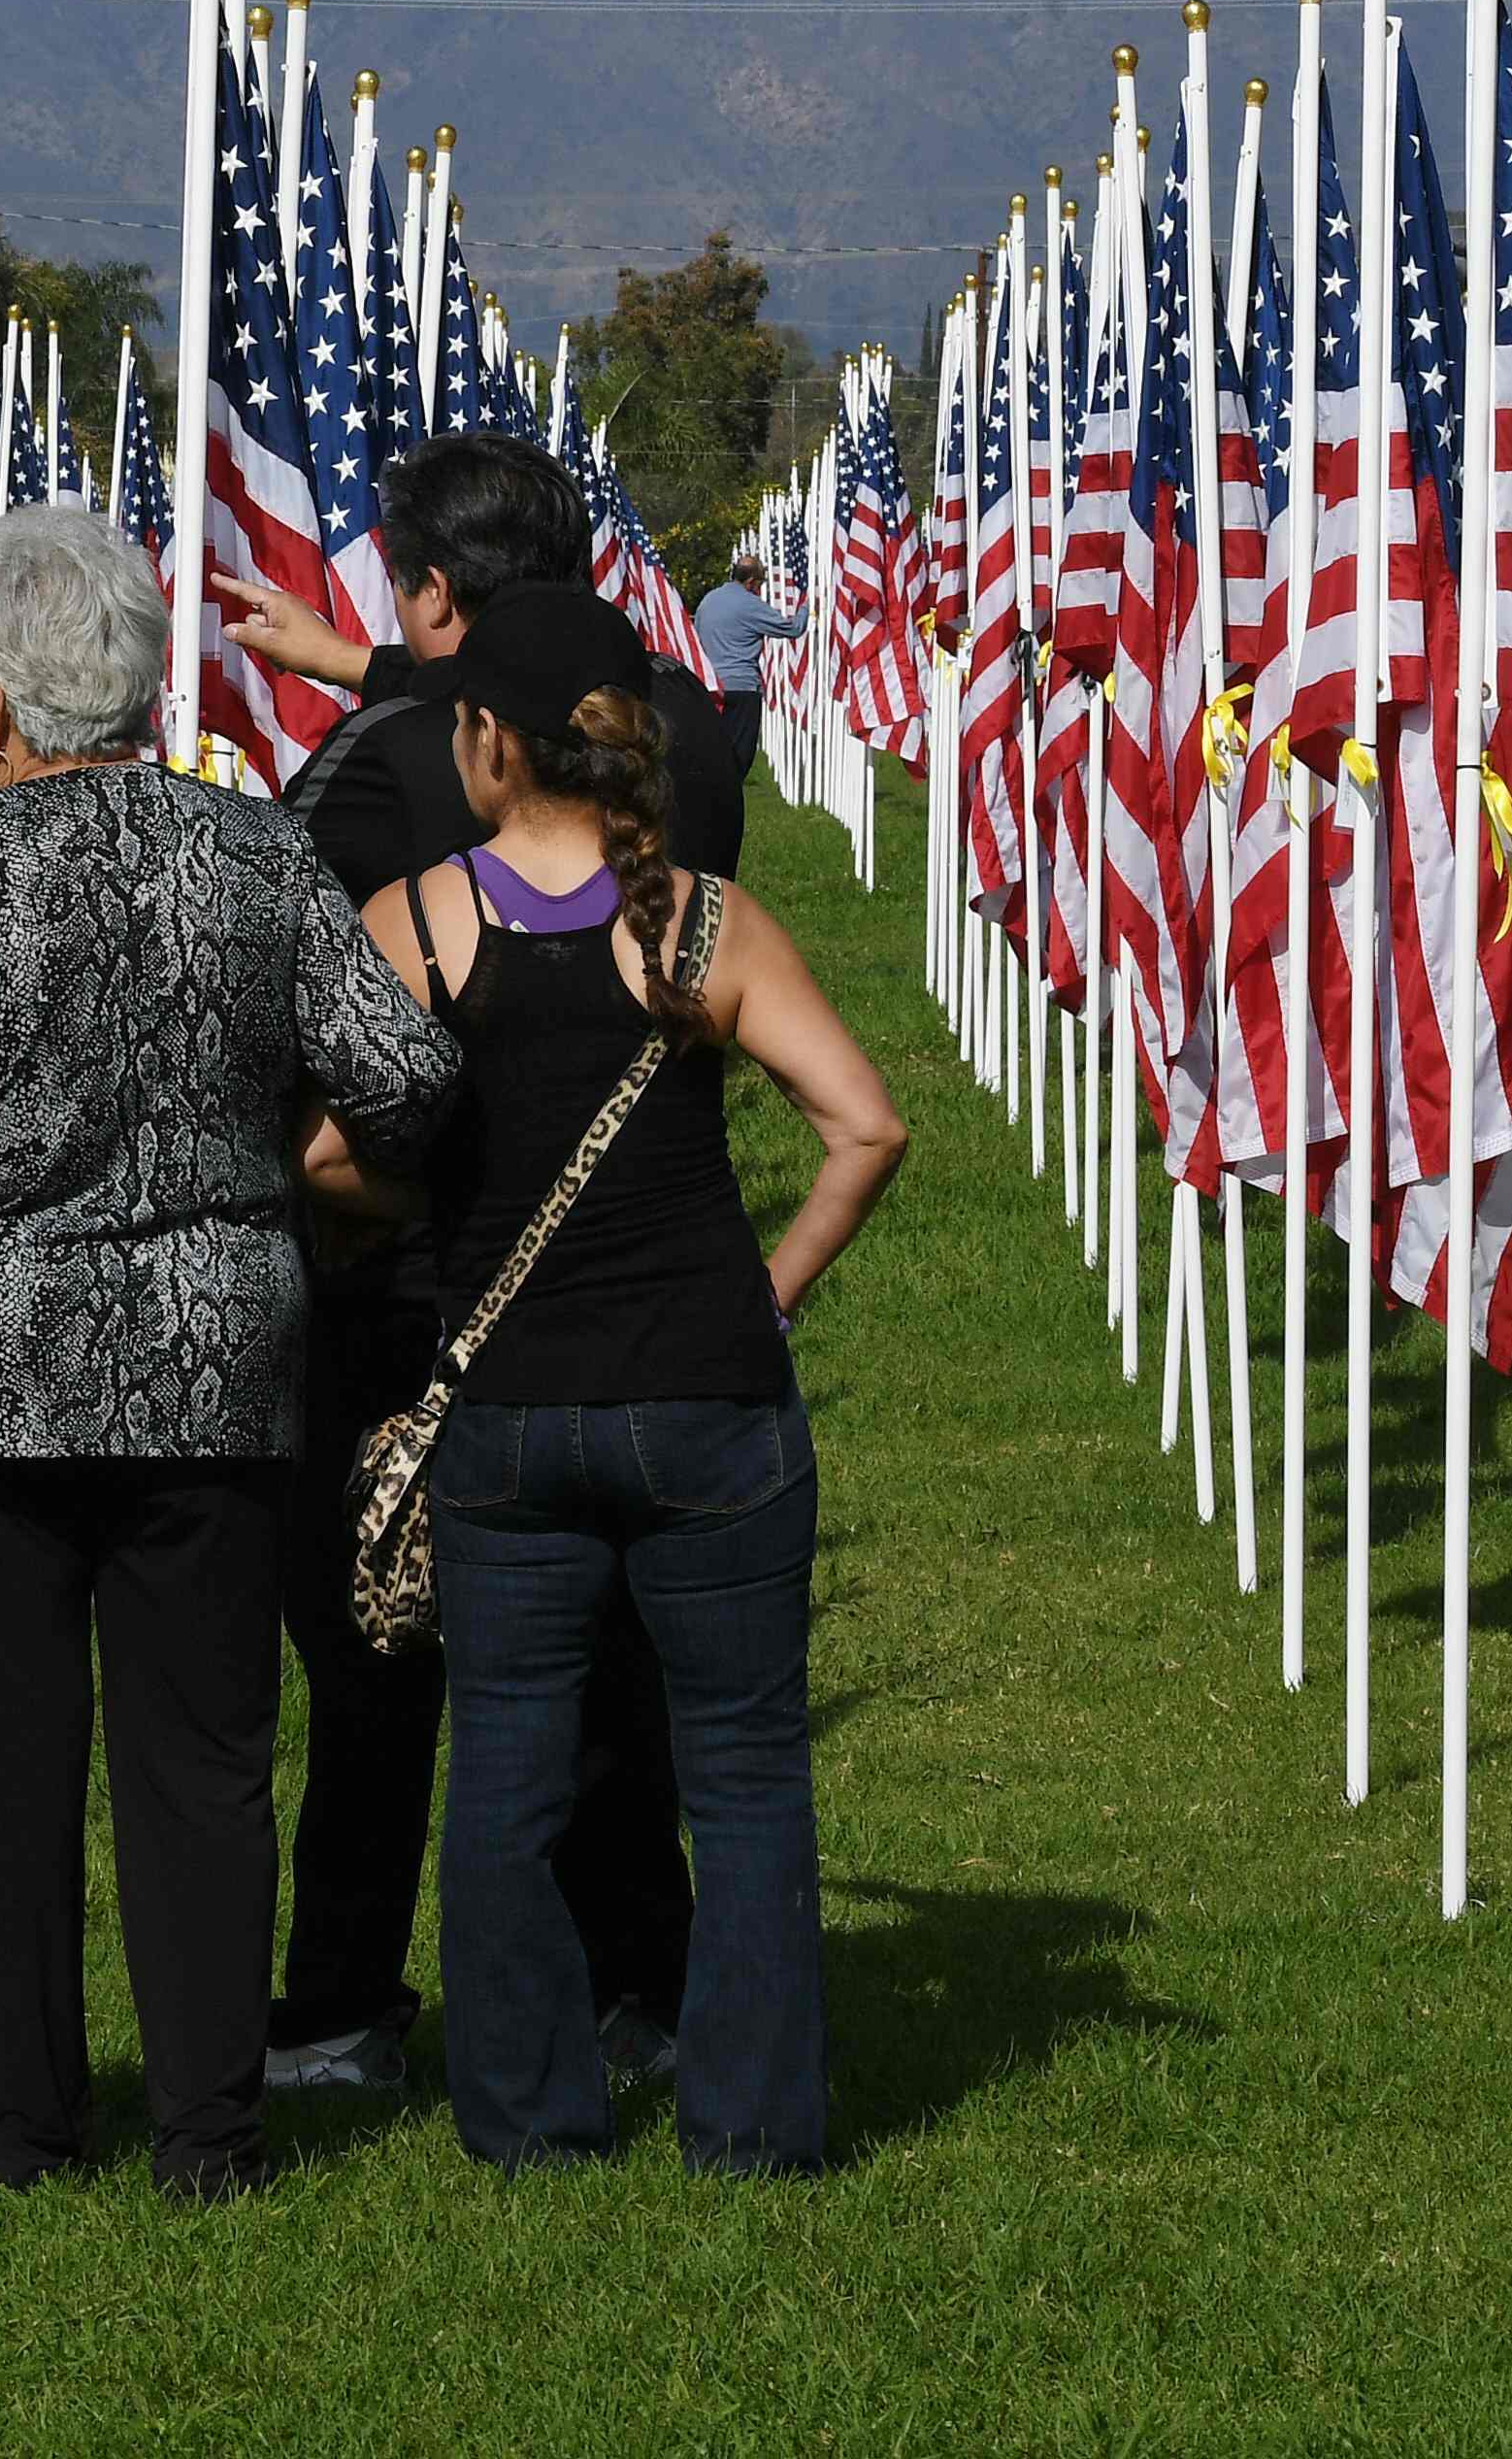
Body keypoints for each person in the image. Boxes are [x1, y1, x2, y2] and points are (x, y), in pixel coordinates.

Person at [0, 507, 460, 2200]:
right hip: (217, 1371)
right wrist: (292, 1161)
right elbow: (407, 1076)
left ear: (2, 713)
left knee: (4, 1777)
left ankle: (21, 2133)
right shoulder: (253, 857)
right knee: (203, 1767)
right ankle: (208, 2139)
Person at [339, 580, 903, 2172]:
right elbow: (863, 1124)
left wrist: (426, 1213)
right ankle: (752, 2127)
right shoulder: (704, 921)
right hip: (710, 1398)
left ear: (487, 745)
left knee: (505, 1765)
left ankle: (523, 2122)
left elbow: (324, 1146)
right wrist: (767, 1287)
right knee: (740, 1768)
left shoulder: (420, 922)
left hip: (503, 1410)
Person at [214, 432, 730, 2098]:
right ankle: (631, 1982)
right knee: (606, 1662)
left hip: (407, 1268)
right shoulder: (685, 744)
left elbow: (269, 983)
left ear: (435, 598)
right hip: (629, 1271)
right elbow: (520, 708)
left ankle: (350, 2003)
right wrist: (359, 662)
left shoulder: (376, 774)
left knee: (371, 1641)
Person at [693, 553, 806, 780]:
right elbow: (791, 629)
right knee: (739, 755)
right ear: (752, 582)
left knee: (715, 750)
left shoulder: (708, 601)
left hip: (711, 686)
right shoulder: (749, 604)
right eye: (761, 583)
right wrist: (807, 607)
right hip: (743, 686)